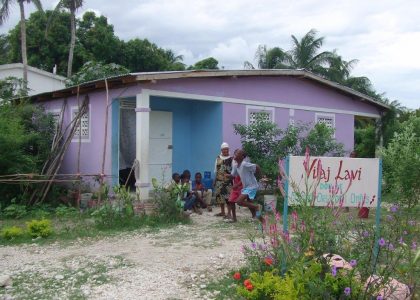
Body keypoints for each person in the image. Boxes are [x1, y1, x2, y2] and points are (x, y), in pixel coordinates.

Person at [227, 149, 261, 219]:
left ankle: (256, 207)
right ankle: (261, 220)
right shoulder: (236, 166)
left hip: (252, 186)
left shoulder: (244, 164)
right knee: (248, 201)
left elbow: (257, 166)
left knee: (239, 201)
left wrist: (260, 177)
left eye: (238, 153)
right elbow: (233, 175)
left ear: (242, 157)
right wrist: (226, 175)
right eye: (235, 152)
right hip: (246, 187)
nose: (235, 153)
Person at [213, 142, 233, 218]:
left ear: (228, 150)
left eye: (227, 149)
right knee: (220, 197)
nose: (225, 151)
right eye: (224, 149)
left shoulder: (231, 159)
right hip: (219, 181)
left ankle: (229, 213)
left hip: (228, 182)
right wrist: (215, 181)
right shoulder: (218, 158)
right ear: (221, 150)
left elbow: (233, 172)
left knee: (228, 198)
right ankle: (222, 212)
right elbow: (216, 170)